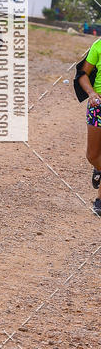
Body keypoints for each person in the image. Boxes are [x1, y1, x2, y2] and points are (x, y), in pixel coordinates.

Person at [77, 38, 101, 216]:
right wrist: (91, 93)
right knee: (92, 155)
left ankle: (99, 199)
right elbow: (83, 74)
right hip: (98, 104)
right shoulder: (98, 45)